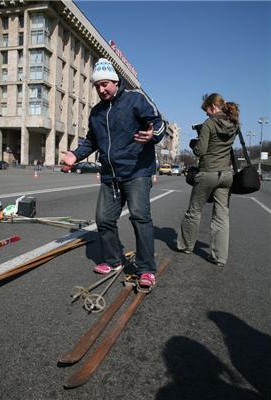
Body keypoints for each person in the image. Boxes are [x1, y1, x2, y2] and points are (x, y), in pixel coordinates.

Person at [61, 58, 166, 289]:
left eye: (105, 84)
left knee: (139, 217)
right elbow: (91, 141)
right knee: (104, 219)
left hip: (137, 170)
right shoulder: (96, 112)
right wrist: (75, 156)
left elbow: (158, 123)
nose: (101, 89)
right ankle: (113, 260)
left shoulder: (134, 99)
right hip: (110, 175)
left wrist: (153, 135)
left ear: (116, 82)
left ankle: (146, 268)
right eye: (97, 85)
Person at [177, 93, 240, 267]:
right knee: (221, 216)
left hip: (208, 173)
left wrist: (193, 143)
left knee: (194, 211)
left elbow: (201, 151)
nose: (206, 114)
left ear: (213, 107)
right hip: (226, 175)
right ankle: (219, 257)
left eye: (207, 110)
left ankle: (186, 245)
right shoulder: (234, 124)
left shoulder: (209, 124)